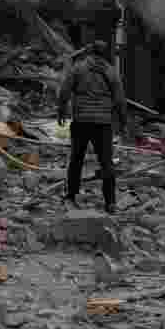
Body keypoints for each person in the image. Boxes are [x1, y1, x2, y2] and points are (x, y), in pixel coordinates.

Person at [57, 40, 128, 214]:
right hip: (103, 124)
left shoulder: (78, 68)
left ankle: (72, 195)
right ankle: (110, 202)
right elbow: (119, 100)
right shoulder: (111, 71)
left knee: (76, 159)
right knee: (106, 163)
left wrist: (61, 112)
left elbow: (65, 91)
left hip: (81, 121)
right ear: (105, 54)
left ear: (90, 52)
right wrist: (123, 121)